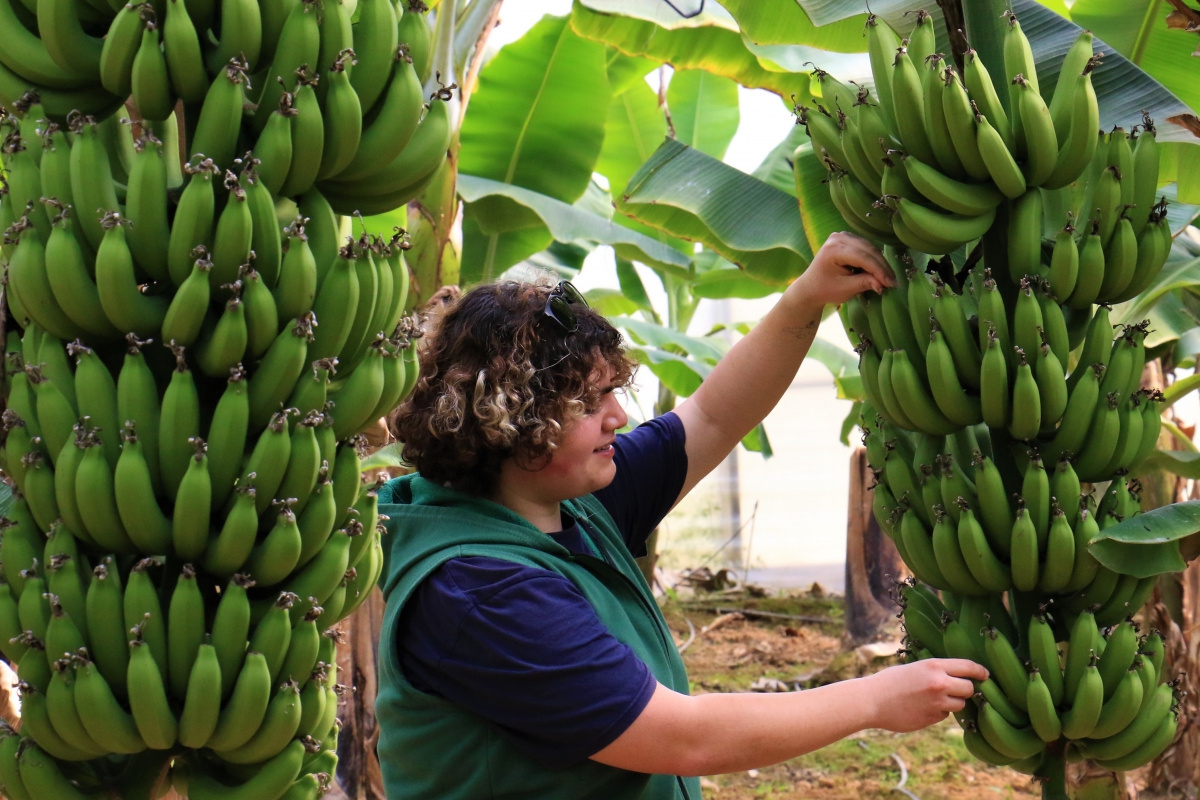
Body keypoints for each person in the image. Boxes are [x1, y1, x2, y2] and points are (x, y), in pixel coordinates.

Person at [375, 232, 988, 799]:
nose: (617, 416)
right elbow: (681, 736)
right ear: (506, 420)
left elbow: (712, 418)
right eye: (588, 401)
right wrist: (874, 701)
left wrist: (807, 298)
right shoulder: (479, 592)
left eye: (612, 390)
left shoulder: (562, 502)